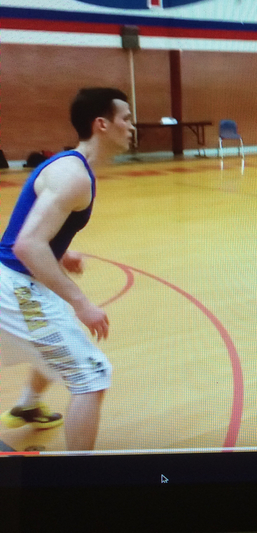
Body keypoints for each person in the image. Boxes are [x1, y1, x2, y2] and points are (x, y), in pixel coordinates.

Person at [0, 88, 134, 451]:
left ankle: (28, 405)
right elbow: (27, 245)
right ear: (102, 124)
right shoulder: (73, 176)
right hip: (16, 285)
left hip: (17, 279)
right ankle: (77, 476)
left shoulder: (71, 166)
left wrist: (60, 253)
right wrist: (82, 303)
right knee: (93, 374)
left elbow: (28, 231)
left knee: (59, 336)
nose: (131, 126)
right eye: (126, 118)